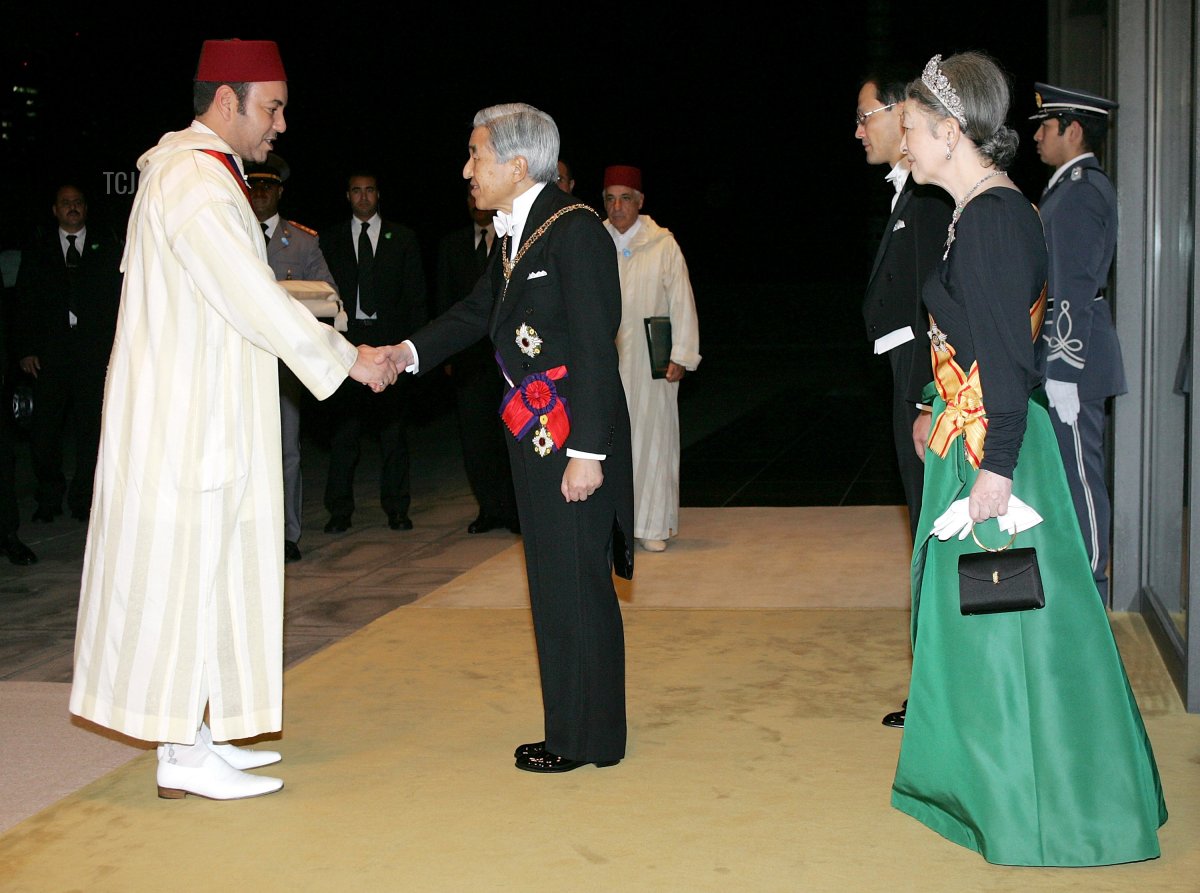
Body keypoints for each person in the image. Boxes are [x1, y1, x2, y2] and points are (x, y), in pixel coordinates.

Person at [68, 38, 400, 801]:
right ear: (227, 100)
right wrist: (346, 358)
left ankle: (199, 733)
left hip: (205, 410)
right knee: (184, 577)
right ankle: (180, 752)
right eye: (273, 106)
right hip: (187, 422)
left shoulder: (200, 173)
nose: (281, 123)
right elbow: (252, 294)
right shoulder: (192, 179)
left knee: (211, 577)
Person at [889, 50, 1166, 866]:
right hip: (976, 435)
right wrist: (938, 410)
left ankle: (1044, 809)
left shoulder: (992, 218)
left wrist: (995, 467)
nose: (903, 143)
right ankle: (1004, 792)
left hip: (997, 451)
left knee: (1015, 632)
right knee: (1003, 632)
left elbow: (1011, 358)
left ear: (950, 132)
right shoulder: (983, 209)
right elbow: (981, 343)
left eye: (910, 129)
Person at [395, 102, 634, 773]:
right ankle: (573, 729)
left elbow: (593, 343)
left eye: (477, 155)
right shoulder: (517, 233)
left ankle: (589, 738)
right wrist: (405, 352)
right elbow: (479, 311)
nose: (467, 169)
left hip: (567, 441)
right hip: (536, 436)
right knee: (555, 583)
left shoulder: (574, 229)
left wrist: (588, 452)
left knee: (577, 585)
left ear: (517, 163)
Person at [855, 67, 954, 729]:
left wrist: (923, 401)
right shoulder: (908, 198)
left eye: (866, 115)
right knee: (924, 532)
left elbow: (932, 307)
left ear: (900, 113)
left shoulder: (923, 203)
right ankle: (937, 687)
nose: (859, 130)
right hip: (904, 377)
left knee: (932, 532)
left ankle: (940, 693)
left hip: (918, 382)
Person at [1030, 82, 1125, 601]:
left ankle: (1093, 586)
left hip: (1076, 360)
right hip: (1068, 358)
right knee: (1069, 473)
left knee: (1082, 476)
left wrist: (1062, 369)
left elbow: (1076, 284)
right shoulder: (1067, 188)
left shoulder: (1083, 190)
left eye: (1047, 126)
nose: (1039, 136)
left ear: (1074, 129)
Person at [319, 171, 427, 532]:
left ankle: (397, 508)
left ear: (378, 195)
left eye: (369, 191)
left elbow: (416, 297)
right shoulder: (330, 239)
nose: (363, 198)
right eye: (356, 191)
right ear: (347, 196)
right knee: (344, 434)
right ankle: (339, 511)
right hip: (347, 343)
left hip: (389, 344)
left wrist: (413, 349)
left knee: (394, 434)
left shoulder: (403, 237)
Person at [246, 152, 340, 563]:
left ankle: (286, 533)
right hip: (237, 361)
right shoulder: (228, 231)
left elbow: (328, 297)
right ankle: (246, 536)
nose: (260, 192)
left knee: (286, 451)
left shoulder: (301, 242)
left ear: (279, 191)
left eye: (268, 185)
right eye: (254, 185)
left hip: (283, 367)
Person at [601, 165, 700, 553]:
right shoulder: (596, 240)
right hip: (607, 359)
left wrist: (682, 354)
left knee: (654, 440)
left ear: (639, 202)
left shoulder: (662, 243)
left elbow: (681, 300)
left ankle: (653, 524)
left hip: (650, 358)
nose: (617, 206)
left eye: (625, 198)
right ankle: (614, 524)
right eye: (610, 198)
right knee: (608, 439)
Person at [14, 184, 122, 523]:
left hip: (93, 355)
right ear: (55, 210)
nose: (72, 208)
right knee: (45, 433)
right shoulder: (39, 250)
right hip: (49, 356)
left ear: (85, 208)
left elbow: (120, 302)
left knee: (91, 431)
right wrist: (26, 348)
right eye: (65, 203)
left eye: (77, 202)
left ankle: (84, 500)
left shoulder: (107, 247)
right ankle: (49, 497)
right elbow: (23, 302)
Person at [434, 185, 519, 535]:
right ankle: (489, 508)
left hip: (506, 359)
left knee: (510, 434)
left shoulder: (510, 238)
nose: (475, 202)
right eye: (468, 196)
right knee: (475, 439)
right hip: (469, 360)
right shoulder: (451, 245)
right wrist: (445, 354)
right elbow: (446, 300)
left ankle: (515, 510)